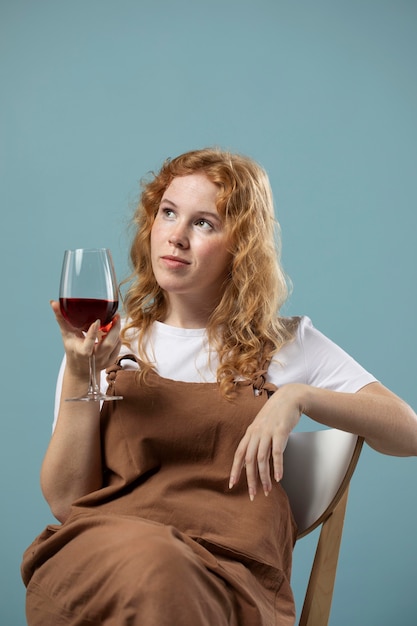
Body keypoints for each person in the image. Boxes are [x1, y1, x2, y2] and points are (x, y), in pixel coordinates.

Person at [22, 148, 417, 626]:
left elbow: (407, 432)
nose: (176, 236)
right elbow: (68, 503)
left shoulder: (287, 344)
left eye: (204, 223)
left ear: (241, 245)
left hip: (228, 583)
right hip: (102, 564)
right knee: (154, 561)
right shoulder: (106, 342)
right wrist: (81, 375)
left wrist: (298, 396)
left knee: (165, 571)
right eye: (168, 213)